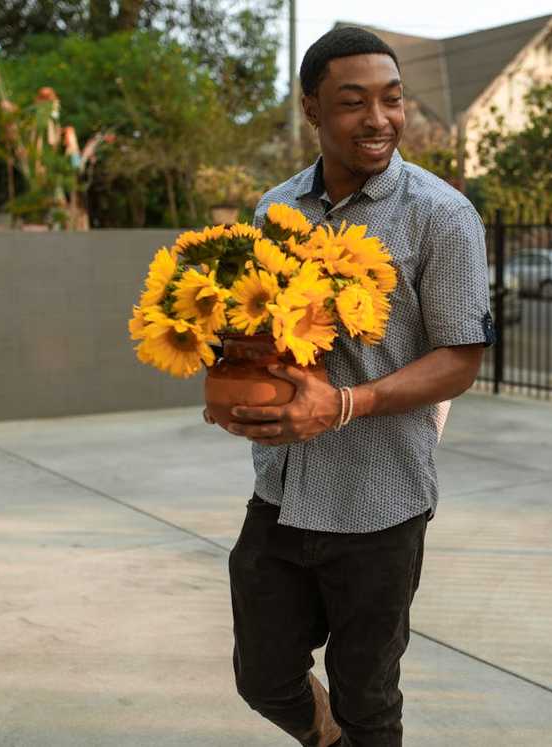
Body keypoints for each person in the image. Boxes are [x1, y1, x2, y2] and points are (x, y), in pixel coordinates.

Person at [205, 26, 494, 747]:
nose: (379, 119)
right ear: (311, 110)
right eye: (353, 102)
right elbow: (257, 323)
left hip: (380, 501)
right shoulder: (275, 210)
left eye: (392, 99)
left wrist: (343, 404)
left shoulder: (442, 216)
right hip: (280, 492)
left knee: (369, 698)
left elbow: (460, 358)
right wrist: (233, 373)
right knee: (264, 675)